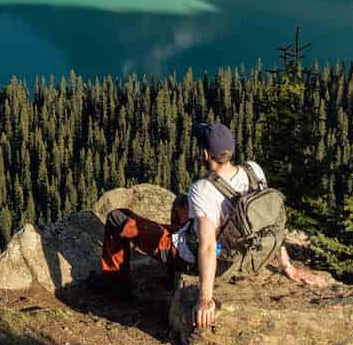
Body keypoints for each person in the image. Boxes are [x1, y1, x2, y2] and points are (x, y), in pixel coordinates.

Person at [91, 120, 329, 330]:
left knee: (118, 219)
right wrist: (289, 268)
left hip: (199, 258)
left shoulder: (203, 189)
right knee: (182, 203)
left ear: (206, 154)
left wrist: (205, 298)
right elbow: (270, 222)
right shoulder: (254, 170)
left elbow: (206, 246)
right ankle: (170, 277)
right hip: (242, 254)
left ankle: (115, 287)